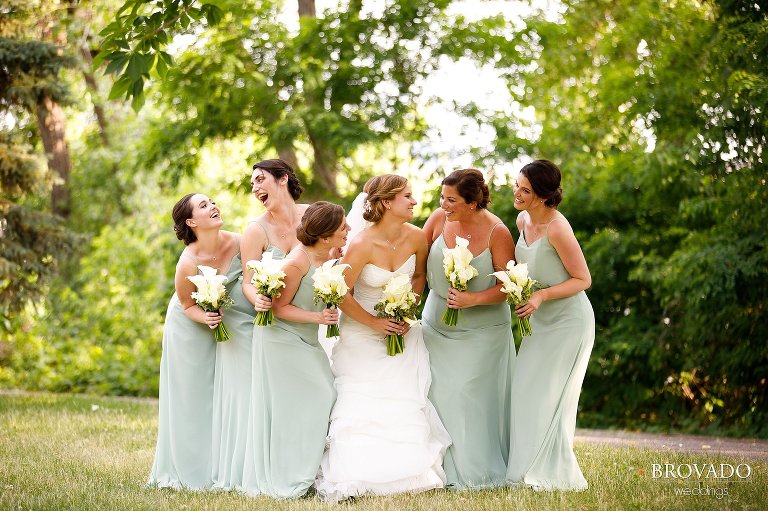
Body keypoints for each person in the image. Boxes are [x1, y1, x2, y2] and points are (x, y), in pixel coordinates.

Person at [315, 175, 451, 501]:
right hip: (361, 331)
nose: (414, 202)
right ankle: (357, 472)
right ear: (387, 203)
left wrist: (405, 311)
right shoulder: (360, 244)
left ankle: (409, 472)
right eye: (407, 196)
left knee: (404, 399)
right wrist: (376, 324)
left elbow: (418, 277)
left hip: (402, 331)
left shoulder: (418, 238)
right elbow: (341, 293)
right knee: (362, 399)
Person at [211, 159, 306, 490]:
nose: (255, 188)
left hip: (314, 318)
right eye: (252, 184)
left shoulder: (312, 216)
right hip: (271, 321)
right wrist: (258, 300)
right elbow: (249, 282)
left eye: (260, 180)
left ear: (282, 180)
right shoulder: (255, 230)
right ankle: (273, 467)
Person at [241, 201, 346, 498]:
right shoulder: (297, 262)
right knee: (317, 395)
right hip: (280, 338)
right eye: (343, 228)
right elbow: (278, 307)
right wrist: (318, 317)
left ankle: (310, 467)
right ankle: (294, 474)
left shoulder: (322, 254)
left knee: (324, 393)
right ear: (325, 237)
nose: (348, 230)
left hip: (304, 338)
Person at [421, 168, 516, 489]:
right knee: (436, 393)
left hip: (484, 331)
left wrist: (473, 298)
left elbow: (508, 286)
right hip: (436, 323)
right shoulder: (438, 219)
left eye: (451, 200)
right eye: (442, 198)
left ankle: (475, 469)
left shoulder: (497, 233)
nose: (443, 204)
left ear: (473, 202)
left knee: (467, 396)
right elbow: (416, 263)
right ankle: (437, 470)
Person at [505, 159, 594, 490]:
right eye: (517, 185)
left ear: (542, 195)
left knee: (549, 396)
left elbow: (583, 279)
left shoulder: (558, 228)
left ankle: (546, 473)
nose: (517, 192)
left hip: (569, 321)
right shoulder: (521, 219)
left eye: (524, 190)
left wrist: (541, 297)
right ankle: (523, 469)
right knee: (524, 389)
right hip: (538, 320)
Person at [149, 193, 239, 490]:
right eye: (204, 206)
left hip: (223, 325)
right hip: (188, 329)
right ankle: (189, 471)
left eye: (212, 201)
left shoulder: (237, 242)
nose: (213, 206)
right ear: (191, 222)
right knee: (191, 398)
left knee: (219, 395)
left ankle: (220, 467)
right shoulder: (187, 261)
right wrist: (207, 318)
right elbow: (187, 306)